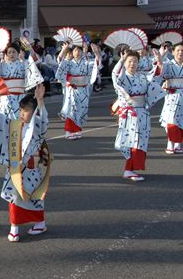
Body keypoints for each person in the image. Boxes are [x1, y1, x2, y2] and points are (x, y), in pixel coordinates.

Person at [0, 85, 50, 242]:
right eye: (21, 110)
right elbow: (0, 122)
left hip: (31, 168)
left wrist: (40, 101)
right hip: (16, 167)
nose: (22, 113)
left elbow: (43, 120)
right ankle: (14, 228)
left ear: (34, 112)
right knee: (14, 196)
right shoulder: (16, 125)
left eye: (26, 111)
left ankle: (40, 223)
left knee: (34, 197)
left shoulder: (37, 126)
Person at [111, 49, 164, 181]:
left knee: (140, 140)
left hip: (142, 112)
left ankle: (131, 169)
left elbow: (155, 77)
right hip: (129, 113)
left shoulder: (142, 76)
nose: (132, 64)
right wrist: (121, 60)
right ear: (125, 63)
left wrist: (159, 61)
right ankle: (129, 170)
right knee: (132, 140)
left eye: (135, 61)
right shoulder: (122, 77)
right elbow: (115, 75)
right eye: (129, 61)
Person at [0, 41, 43, 119]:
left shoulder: (23, 64)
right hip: (5, 98)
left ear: (18, 53)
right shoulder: (1, 66)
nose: (11, 54)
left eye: (14, 52)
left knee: (20, 119)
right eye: (9, 52)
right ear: (6, 54)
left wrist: (29, 47)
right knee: (5, 120)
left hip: (20, 96)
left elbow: (34, 61)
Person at [55, 42, 101, 139]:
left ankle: (78, 130)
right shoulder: (69, 63)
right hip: (72, 90)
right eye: (75, 50)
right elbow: (60, 62)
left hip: (83, 89)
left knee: (81, 110)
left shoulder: (86, 62)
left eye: (79, 50)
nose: (77, 52)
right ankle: (69, 131)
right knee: (72, 110)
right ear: (72, 52)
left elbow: (95, 65)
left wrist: (96, 53)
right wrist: (63, 50)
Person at [159, 42, 183, 154]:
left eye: (182, 51)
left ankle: (178, 143)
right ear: (173, 52)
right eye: (178, 50)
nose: (180, 53)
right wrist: (161, 56)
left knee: (181, 119)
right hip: (172, 95)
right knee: (171, 119)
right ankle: (170, 142)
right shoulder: (168, 64)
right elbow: (161, 73)